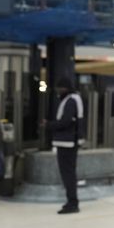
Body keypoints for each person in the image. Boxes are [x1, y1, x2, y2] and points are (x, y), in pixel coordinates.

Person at [45, 78, 85, 215]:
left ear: (65, 88)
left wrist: (49, 125)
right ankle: (72, 202)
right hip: (68, 142)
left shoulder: (70, 100)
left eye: (60, 88)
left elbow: (65, 121)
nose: (58, 91)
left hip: (67, 142)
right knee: (69, 173)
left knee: (68, 174)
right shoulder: (73, 99)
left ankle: (72, 203)